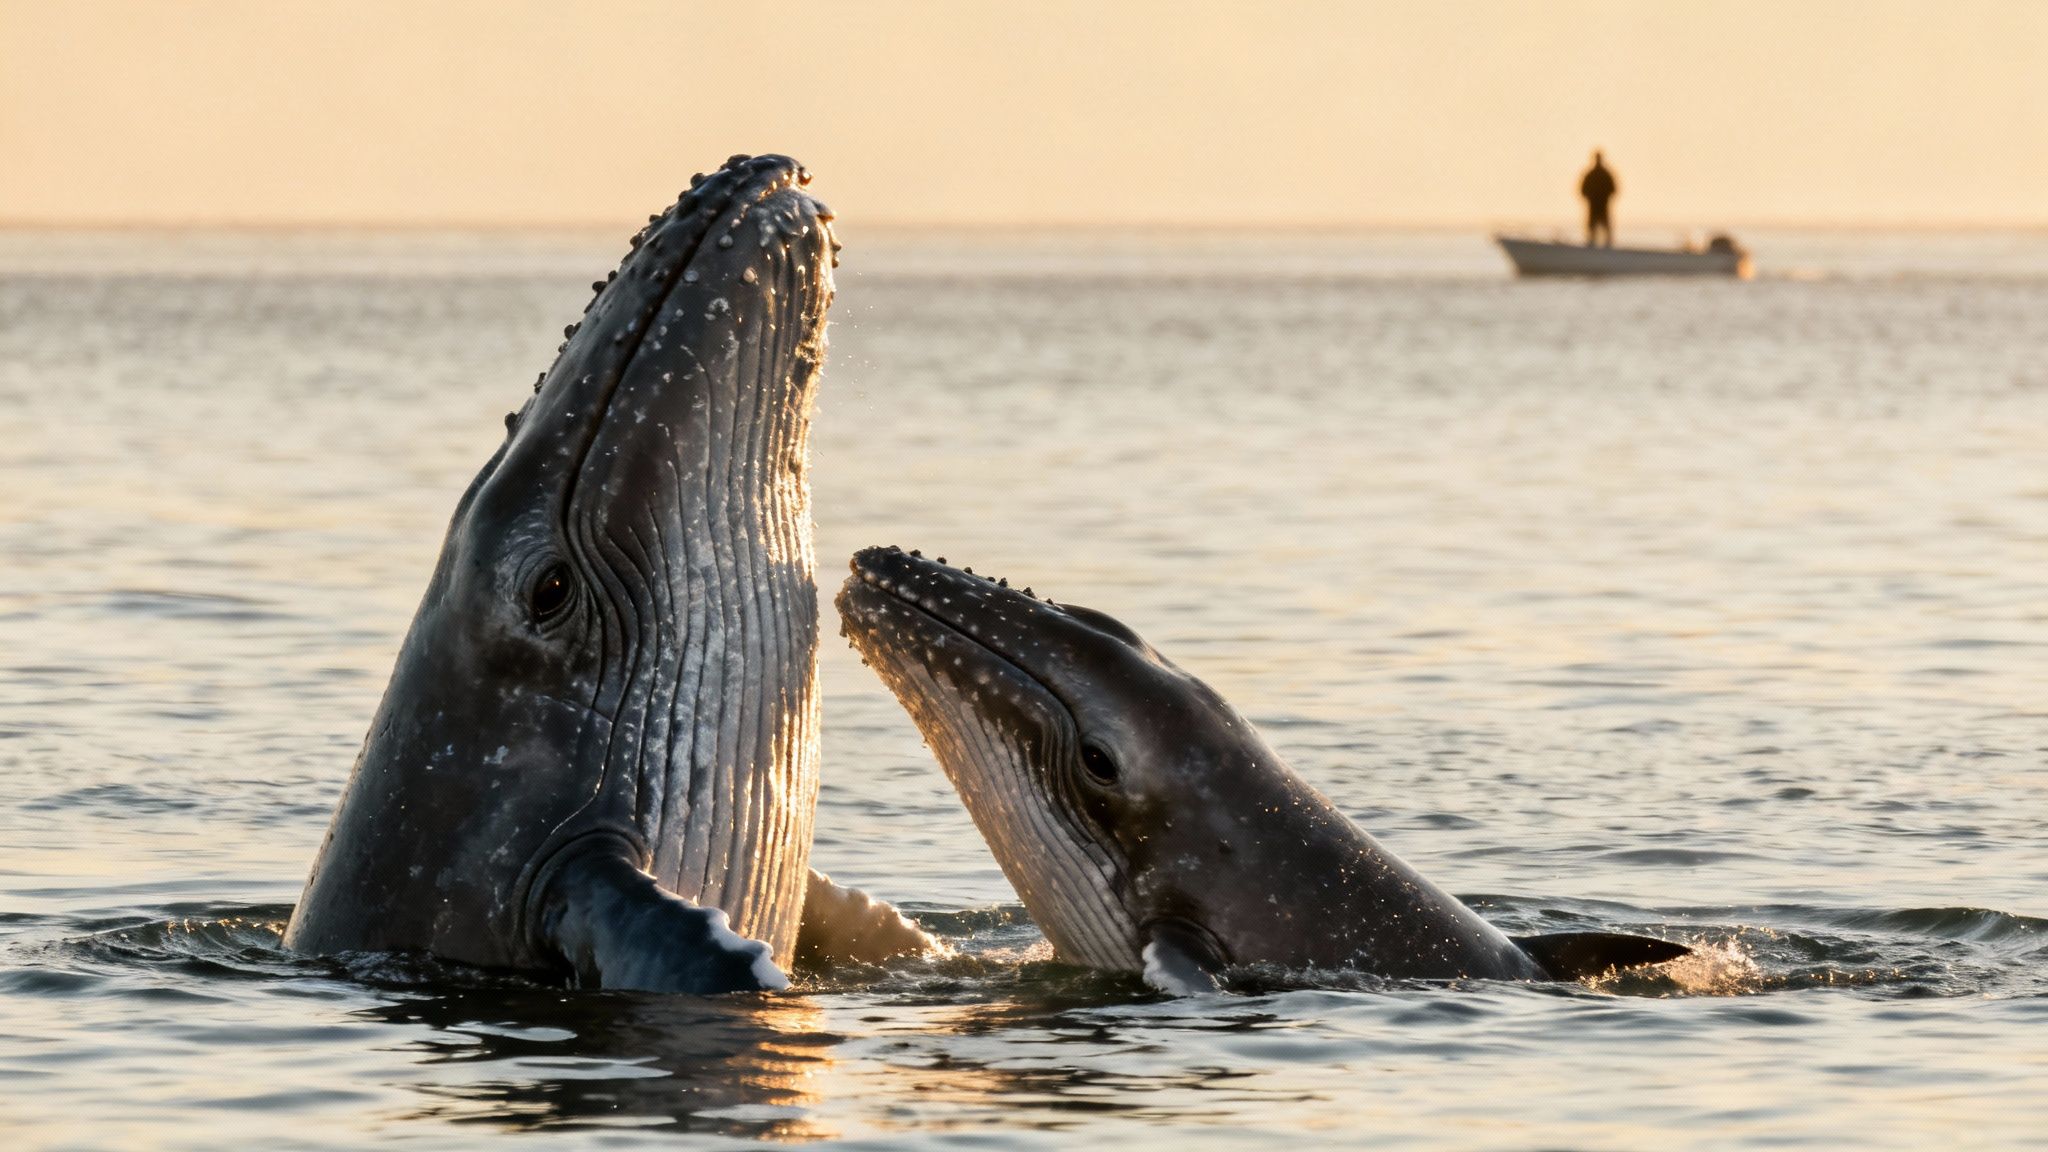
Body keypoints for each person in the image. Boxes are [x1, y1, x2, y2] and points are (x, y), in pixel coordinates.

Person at [1580, 150, 1617, 247]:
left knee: (1604, 226)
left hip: (1602, 205)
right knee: (1593, 227)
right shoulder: (1591, 174)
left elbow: (1613, 189)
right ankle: (1593, 243)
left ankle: (1606, 244)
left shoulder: (1604, 174)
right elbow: (1583, 190)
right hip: (1594, 205)